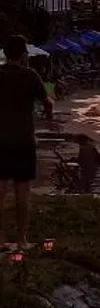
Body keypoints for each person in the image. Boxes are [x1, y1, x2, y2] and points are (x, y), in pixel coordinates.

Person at [0, 36, 54, 249]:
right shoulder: (30, 75)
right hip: (23, 141)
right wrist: (49, 114)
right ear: (23, 53)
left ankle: (0, 239)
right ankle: (22, 239)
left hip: (0, 141)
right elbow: (47, 102)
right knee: (22, 192)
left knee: (0, 191)